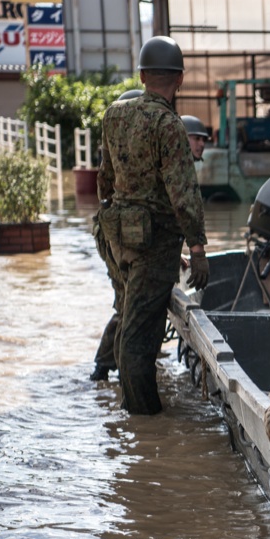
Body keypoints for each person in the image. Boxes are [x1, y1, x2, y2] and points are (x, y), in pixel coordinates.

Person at [97, 35, 209, 415]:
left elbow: (104, 180)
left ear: (142, 75)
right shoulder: (168, 124)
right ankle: (144, 419)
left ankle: (128, 406)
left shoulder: (114, 114)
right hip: (155, 240)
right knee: (140, 335)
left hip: (118, 235)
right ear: (180, 80)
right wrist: (196, 249)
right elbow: (183, 192)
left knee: (129, 315)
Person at [90, 88, 144, 382]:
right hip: (114, 236)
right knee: (127, 304)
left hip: (114, 233)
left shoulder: (124, 151)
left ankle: (108, 366)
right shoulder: (122, 155)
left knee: (126, 304)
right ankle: (115, 368)